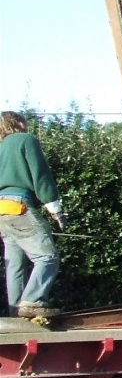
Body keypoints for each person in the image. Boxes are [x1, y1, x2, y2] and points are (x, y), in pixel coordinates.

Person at [0, 111, 67, 319]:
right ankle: (32, 301)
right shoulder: (26, 140)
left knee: (15, 262)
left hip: (2, 210)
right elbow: (41, 175)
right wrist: (56, 210)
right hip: (20, 206)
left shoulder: (1, 147)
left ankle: (15, 310)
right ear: (18, 123)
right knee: (47, 256)